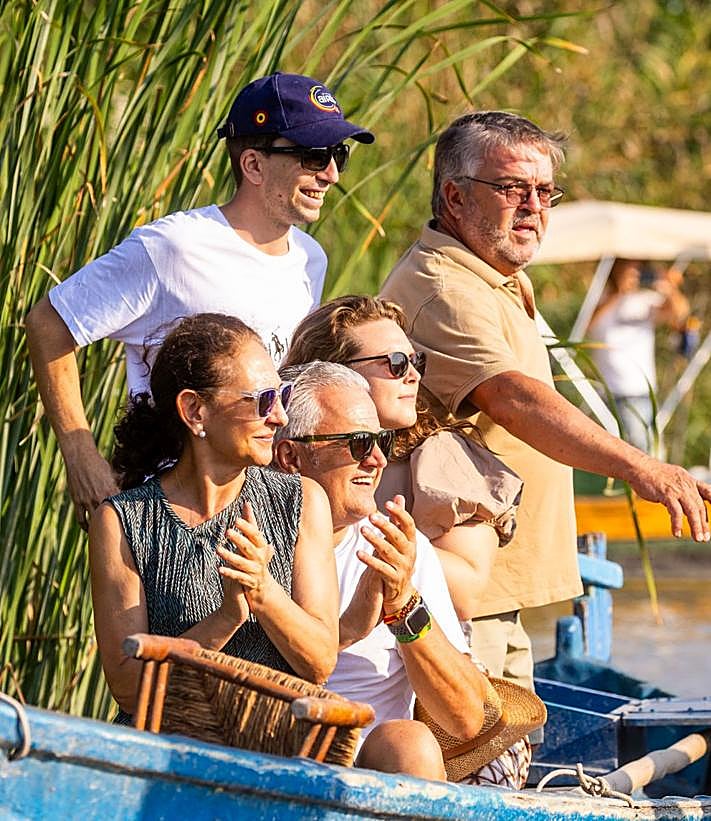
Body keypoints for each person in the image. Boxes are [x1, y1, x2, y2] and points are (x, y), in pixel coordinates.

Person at [379, 111, 711, 706]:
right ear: (454, 196)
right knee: (469, 761)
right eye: (511, 188)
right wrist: (642, 467)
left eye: (544, 192)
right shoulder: (444, 288)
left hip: (495, 586)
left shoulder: (495, 274)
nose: (533, 206)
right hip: (453, 590)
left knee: (505, 752)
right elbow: (511, 397)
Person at [25, 71, 374, 529]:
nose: (330, 173)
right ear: (253, 165)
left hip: (257, 509)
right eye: (312, 156)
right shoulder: (174, 247)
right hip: (165, 512)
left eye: (337, 155)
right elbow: (48, 324)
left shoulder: (312, 259)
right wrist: (80, 455)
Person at [274, 361, 542, 785]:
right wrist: (344, 631)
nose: (378, 460)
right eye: (360, 444)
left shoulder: (395, 547)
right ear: (291, 456)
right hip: (258, 755)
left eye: (382, 440)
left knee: (410, 743)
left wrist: (403, 606)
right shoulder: (241, 539)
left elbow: (469, 719)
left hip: (371, 777)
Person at [88, 313, 339, 722]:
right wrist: (225, 619)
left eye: (283, 396)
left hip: (269, 750)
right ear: (194, 410)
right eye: (262, 401)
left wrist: (264, 593)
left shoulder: (303, 501)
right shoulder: (122, 521)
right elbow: (130, 690)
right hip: (164, 757)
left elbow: (320, 664)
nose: (279, 418)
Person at [284, 295, 522, 620]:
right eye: (395, 363)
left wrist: (355, 535)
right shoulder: (291, 449)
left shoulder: (439, 454)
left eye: (416, 362)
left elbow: (467, 594)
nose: (414, 375)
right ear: (334, 372)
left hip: (442, 646)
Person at [587, 259, 689, 452]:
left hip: (637, 393)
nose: (633, 273)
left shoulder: (644, 300)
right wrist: (619, 293)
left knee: (644, 451)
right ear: (615, 269)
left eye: (637, 268)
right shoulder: (599, 299)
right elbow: (587, 326)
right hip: (604, 391)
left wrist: (669, 287)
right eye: (628, 267)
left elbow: (680, 312)